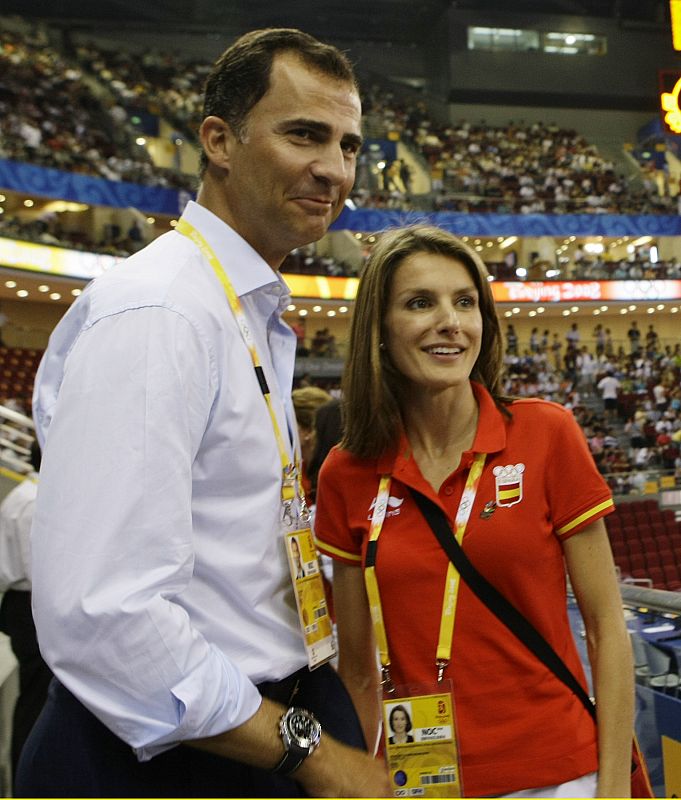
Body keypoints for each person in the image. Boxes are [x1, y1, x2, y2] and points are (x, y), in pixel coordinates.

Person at [18, 28, 389, 799]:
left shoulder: (238, 308)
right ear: (219, 140)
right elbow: (106, 614)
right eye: (304, 135)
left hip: (236, 729)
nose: (334, 168)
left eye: (349, 145)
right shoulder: (161, 311)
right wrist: (315, 754)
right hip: (162, 756)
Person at [314, 225, 634, 798]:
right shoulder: (346, 472)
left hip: (559, 777)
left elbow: (608, 630)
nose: (451, 321)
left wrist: (612, 788)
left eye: (465, 302)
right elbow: (358, 672)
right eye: (420, 303)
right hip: (417, 781)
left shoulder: (546, 434)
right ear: (380, 332)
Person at [0, 441, 52, 788]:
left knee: (32, 695)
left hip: (19, 602)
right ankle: (26, 779)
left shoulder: (24, 494)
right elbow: (43, 569)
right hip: (29, 602)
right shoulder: (36, 500)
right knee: (34, 699)